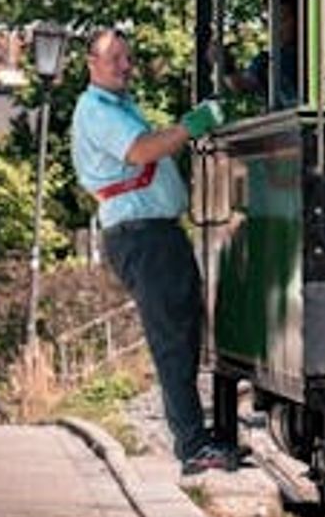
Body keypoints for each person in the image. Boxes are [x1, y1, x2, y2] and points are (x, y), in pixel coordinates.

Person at [70, 29, 238, 475]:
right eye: (115, 58)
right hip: (142, 235)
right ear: (91, 63)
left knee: (181, 332)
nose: (126, 65)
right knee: (172, 339)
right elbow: (142, 151)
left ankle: (197, 439)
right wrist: (191, 126)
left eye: (128, 57)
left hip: (151, 232)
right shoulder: (97, 110)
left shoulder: (116, 106)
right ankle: (192, 446)